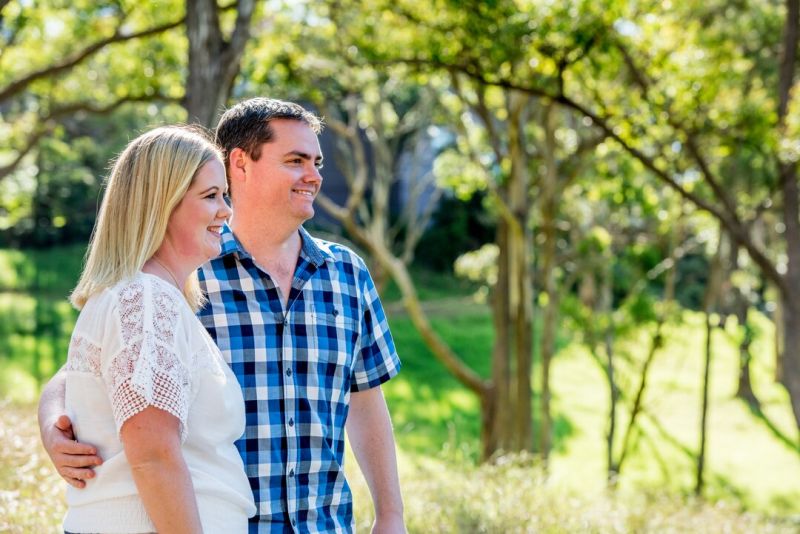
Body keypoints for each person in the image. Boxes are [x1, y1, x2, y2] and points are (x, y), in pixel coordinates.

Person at [40, 99, 405, 533]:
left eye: (317, 161)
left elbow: (365, 400)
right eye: (295, 160)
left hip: (321, 524)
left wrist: (390, 515)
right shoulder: (184, 271)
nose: (314, 175)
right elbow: (96, 368)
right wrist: (54, 423)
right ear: (241, 164)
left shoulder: (347, 275)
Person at [41, 125, 256, 533]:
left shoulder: (143, 297)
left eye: (224, 195)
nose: (226, 210)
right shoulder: (143, 300)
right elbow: (153, 456)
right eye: (210, 196)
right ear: (161, 205)